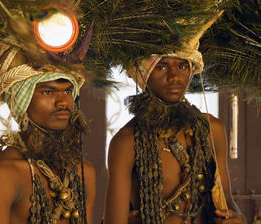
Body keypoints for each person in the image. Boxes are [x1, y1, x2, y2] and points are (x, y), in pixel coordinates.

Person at [103, 15, 246, 224]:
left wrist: (238, 219)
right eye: (161, 67)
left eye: (182, 66)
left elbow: (226, 204)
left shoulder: (211, 129)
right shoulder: (127, 141)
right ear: (144, 74)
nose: (175, 77)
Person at [0, 40, 96, 224]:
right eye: (47, 92)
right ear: (22, 101)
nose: (63, 102)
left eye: (68, 91)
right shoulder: (5, 173)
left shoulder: (84, 173)